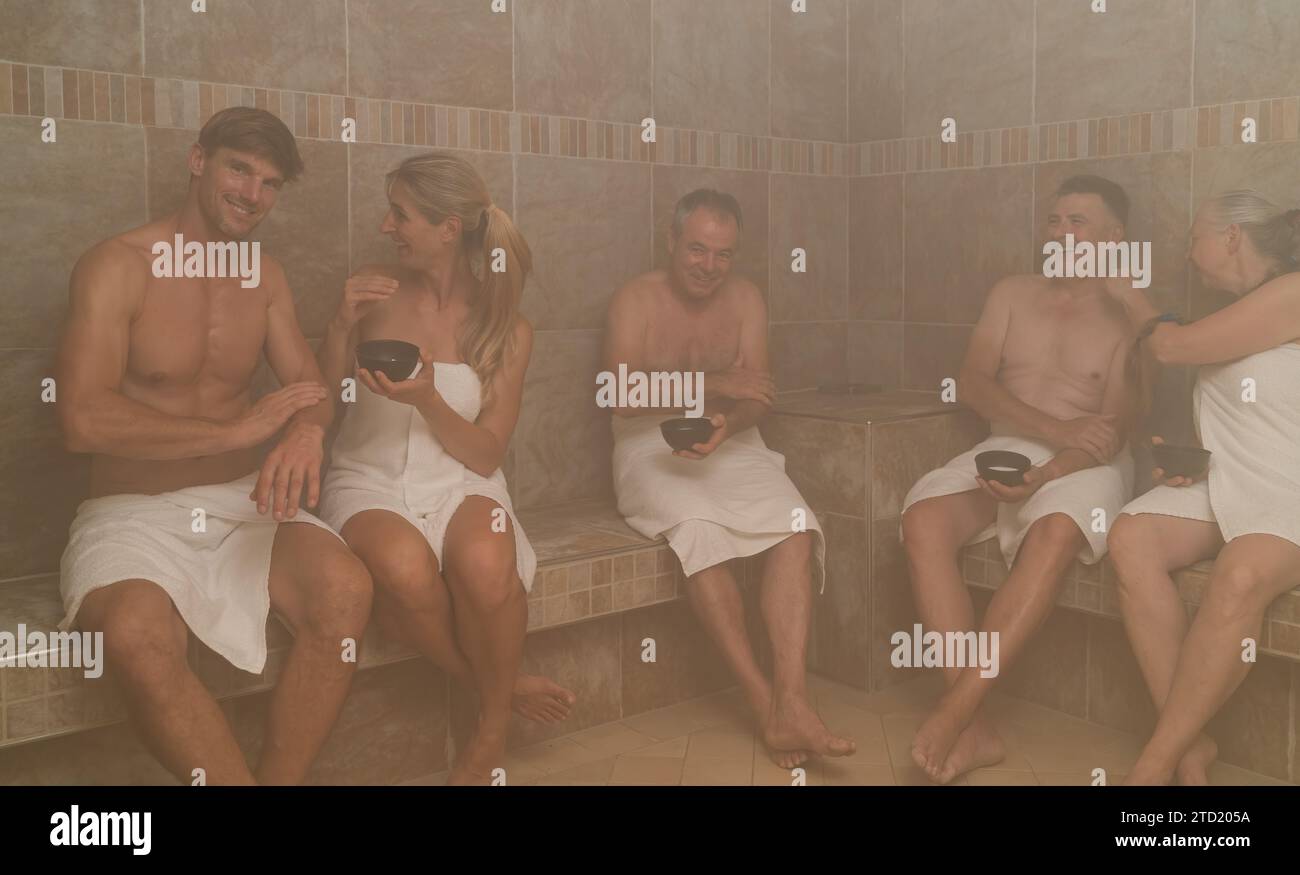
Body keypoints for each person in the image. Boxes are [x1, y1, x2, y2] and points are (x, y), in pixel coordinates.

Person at [56, 107, 373, 785]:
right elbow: (80, 418)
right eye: (238, 168)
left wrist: (310, 429)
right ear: (199, 161)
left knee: (345, 588)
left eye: (269, 182)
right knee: (135, 634)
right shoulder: (117, 265)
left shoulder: (265, 278)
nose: (250, 193)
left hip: (240, 502)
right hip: (133, 510)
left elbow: (307, 386)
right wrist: (232, 431)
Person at [316, 152, 574, 786]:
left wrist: (428, 399)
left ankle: (486, 737)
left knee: (489, 566)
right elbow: (318, 409)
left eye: (400, 215)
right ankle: (500, 688)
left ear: (448, 228)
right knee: (404, 571)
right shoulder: (370, 291)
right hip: (365, 480)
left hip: (463, 479)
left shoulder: (506, 328)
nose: (386, 227)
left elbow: (486, 454)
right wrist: (337, 326)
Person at [900, 175, 1138, 783]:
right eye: (1054, 220)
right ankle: (974, 723)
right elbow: (974, 382)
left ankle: (954, 708)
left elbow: (1110, 431)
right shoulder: (1011, 293)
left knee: (1056, 531)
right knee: (924, 518)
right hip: (1010, 445)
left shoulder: (1130, 318)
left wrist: (1051, 469)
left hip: (1089, 466)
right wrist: (1050, 435)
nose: (1060, 233)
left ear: (1115, 237)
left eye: (1078, 222)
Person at [604, 188, 855, 767]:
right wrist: (714, 384)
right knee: (702, 537)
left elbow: (757, 398)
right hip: (648, 444)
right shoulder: (634, 300)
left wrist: (726, 421)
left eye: (723, 254)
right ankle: (762, 700)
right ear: (671, 242)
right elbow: (617, 394)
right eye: (696, 250)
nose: (708, 266)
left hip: (731, 438)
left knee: (796, 528)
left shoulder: (745, 299)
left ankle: (793, 698)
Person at [1107, 190, 1300, 785]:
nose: (1189, 254)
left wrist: (1126, 295)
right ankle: (1192, 747)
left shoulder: (1292, 292)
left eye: (1195, 238)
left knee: (1240, 575)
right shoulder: (1244, 308)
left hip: (1291, 488)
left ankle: (1157, 762)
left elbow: (1172, 347)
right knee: (1133, 536)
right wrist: (1194, 457)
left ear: (1233, 237)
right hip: (1232, 477)